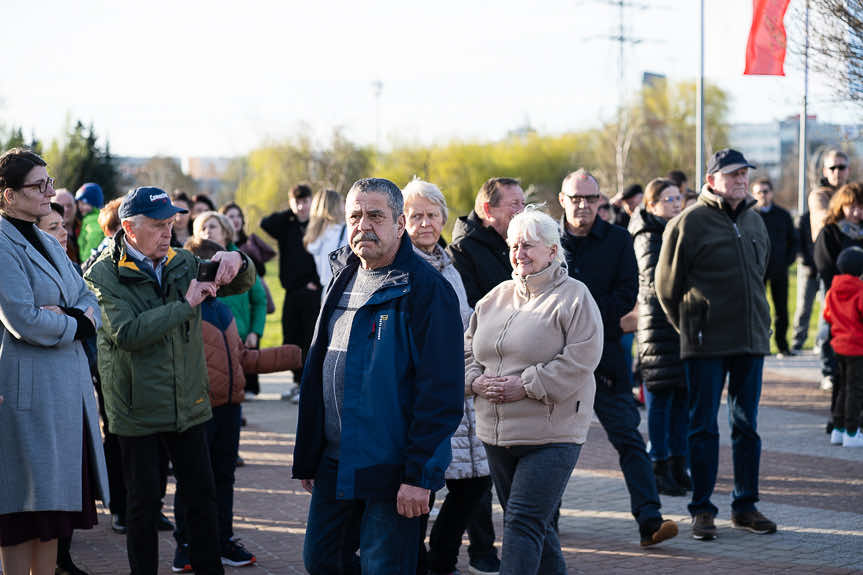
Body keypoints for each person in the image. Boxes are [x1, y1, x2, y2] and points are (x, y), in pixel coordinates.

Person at [292, 178, 464, 574]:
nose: (363, 225)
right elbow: (320, 368)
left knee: (383, 566)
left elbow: (441, 393)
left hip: (391, 467)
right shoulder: (342, 277)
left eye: (375, 216)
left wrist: (419, 476)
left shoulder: (425, 289)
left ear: (399, 224)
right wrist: (310, 454)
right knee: (321, 560)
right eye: (355, 216)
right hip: (335, 461)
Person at [84, 186, 255, 575]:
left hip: (188, 404)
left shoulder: (182, 262)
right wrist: (186, 305)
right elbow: (127, 333)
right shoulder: (102, 275)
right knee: (143, 508)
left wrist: (237, 260)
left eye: (171, 224)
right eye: (158, 225)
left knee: (202, 500)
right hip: (137, 409)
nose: (168, 232)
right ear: (128, 227)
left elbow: (243, 283)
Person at [465, 208, 603, 574]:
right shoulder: (495, 297)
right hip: (497, 434)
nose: (519, 253)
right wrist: (474, 380)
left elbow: (581, 358)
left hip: (552, 434)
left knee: (521, 524)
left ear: (553, 251)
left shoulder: (575, 297)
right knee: (532, 526)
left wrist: (526, 386)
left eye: (528, 245)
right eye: (513, 245)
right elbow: (466, 348)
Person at [656, 148, 776, 540]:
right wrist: (691, 328)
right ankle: (702, 509)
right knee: (703, 427)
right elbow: (666, 288)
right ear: (711, 181)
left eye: (744, 173)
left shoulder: (756, 222)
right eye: (732, 174)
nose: (740, 180)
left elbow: (760, 275)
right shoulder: (688, 223)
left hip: (750, 341)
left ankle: (745, 506)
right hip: (705, 343)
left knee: (747, 427)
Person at [0, 148, 109, 575]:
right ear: (7, 195)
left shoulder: (46, 238)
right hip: (28, 394)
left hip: (65, 393)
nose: (50, 192)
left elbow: (86, 297)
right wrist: (76, 324)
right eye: (38, 185)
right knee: (22, 512)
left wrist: (72, 318)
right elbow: (22, 318)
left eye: (50, 182)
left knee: (51, 516)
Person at [559, 169, 678, 546]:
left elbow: (628, 294)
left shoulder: (618, 240)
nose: (582, 205)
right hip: (555, 361)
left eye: (590, 198)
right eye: (575, 198)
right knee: (553, 445)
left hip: (605, 359)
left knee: (628, 438)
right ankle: (547, 521)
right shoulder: (548, 241)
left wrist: (584, 317)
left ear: (600, 202)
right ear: (562, 200)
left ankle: (650, 520)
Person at [172, 237, 302, 571]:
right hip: (200, 410)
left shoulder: (223, 310)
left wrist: (294, 355)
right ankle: (186, 545)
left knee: (224, 477)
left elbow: (240, 358)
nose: (221, 278)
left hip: (231, 407)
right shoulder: (185, 309)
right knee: (193, 481)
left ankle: (222, 539)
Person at [402, 178, 499, 575]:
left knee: (474, 483)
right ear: (401, 221)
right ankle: (422, 563)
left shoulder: (448, 264)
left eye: (432, 214)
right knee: (424, 486)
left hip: (464, 387)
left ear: (443, 216)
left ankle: (439, 559)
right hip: (429, 394)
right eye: (416, 216)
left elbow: (464, 324)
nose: (426, 223)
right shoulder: (405, 267)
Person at [628, 178, 690, 496]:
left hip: (680, 325)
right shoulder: (647, 235)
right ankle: (659, 465)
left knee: (682, 399)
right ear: (651, 205)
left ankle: (680, 464)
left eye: (678, 198)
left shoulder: (675, 230)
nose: (676, 204)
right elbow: (654, 281)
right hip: (657, 326)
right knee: (660, 401)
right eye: (667, 199)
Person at [814, 183, 863, 441]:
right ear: (840, 206)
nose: (855, 212)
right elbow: (824, 266)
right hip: (843, 305)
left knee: (852, 379)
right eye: (850, 206)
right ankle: (844, 425)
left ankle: (846, 424)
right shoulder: (831, 232)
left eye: (860, 207)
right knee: (846, 378)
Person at [261, 184, 320, 398]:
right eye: (297, 201)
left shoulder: (318, 224)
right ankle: (297, 382)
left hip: (312, 291)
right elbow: (265, 223)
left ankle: (307, 384)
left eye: (305, 201)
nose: (301, 206)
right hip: (291, 291)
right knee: (291, 337)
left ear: (312, 201)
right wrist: (291, 212)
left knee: (308, 338)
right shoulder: (287, 224)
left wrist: (317, 282)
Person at [448, 177, 526, 307]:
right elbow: (471, 310)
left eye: (523, 203)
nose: (522, 210)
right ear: (488, 209)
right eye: (514, 204)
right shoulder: (459, 252)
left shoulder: (518, 244)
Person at [823, 246, 863, 448]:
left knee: (843, 388)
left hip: (838, 345)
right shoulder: (860, 291)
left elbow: (827, 316)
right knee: (856, 391)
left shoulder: (832, 290)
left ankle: (838, 429)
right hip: (858, 347)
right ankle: (852, 431)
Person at [752, 177, 797, 356]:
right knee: (758, 310)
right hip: (756, 272)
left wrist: (787, 261)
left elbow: (793, 241)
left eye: (765, 191)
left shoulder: (783, 215)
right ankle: (760, 346)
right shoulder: (749, 215)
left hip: (779, 269)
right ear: (753, 194)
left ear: (771, 193)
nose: (763, 195)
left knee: (781, 310)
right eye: (758, 192)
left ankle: (782, 346)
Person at [303, 189, 347, 291]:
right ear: (335, 206)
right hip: (342, 290)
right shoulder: (342, 231)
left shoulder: (315, 235)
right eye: (341, 202)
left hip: (326, 290)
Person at [791, 208, 819, 352]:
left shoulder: (832, 216)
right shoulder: (804, 219)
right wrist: (807, 263)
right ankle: (798, 341)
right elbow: (798, 245)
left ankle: (821, 342)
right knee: (804, 307)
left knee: (828, 309)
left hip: (826, 270)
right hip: (809, 270)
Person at [810, 149, 851, 243]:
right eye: (832, 168)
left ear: (849, 170)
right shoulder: (818, 195)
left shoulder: (854, 194)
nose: (837, 172)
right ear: (825, 171)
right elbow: (824, 218)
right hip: (828, 248)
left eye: (841, 167)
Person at [75, 182, 105, 260]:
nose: (80, 207)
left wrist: (86, 261)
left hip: (89, 262)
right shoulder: (87, 219)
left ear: (94, 203)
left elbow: (94, 238)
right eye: (79, 203)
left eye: (84, 203)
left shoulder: (95, 219)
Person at [54, 187, 80, 262]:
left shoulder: (87, 227)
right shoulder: (47, 233)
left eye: (69, 205)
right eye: (61, 206)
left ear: (75, 206)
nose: (66, 209)